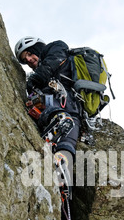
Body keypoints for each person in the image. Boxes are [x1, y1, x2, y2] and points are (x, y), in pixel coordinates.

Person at [15, 36, 82, 196]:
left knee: (39, 99)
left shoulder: (55, 47)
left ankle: (57, 118)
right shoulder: (44, 70)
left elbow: (52, 63)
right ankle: (63, 169)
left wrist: (34, 80)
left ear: (38, 48)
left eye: (30, 54)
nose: (29, 60)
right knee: (68, 139)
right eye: (26, 60)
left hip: (62, 100)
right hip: (73, 108)